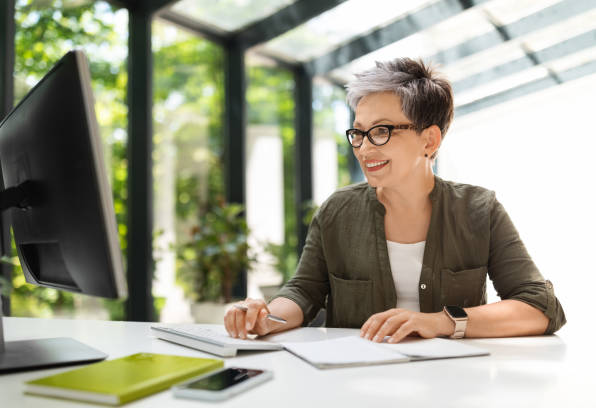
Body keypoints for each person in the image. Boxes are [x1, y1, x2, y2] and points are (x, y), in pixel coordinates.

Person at [224, 58, 566, 343]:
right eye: (358, 132)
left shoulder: (480, 210)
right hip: (354, 382)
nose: (364, 148)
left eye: (382, 131)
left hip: (455, 385)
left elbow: (539, 306)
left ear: (429, 140)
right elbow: (302, 292)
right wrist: (267, 317)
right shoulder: (337, 211)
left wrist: (439, 322)